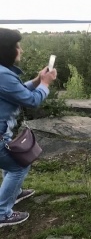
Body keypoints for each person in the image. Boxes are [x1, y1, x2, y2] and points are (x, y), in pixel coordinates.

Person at [0, 28, 57, 227]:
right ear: (7, 50)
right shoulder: (3, 75)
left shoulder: (3, 73)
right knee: (19, 166)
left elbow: (17, 91)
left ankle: (13, 194)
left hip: (2, 134)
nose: (21, 50)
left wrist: (37, 80)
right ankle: (2, 213)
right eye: (17, 46)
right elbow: (31, 101)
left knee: (12, 163)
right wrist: (45, 84)